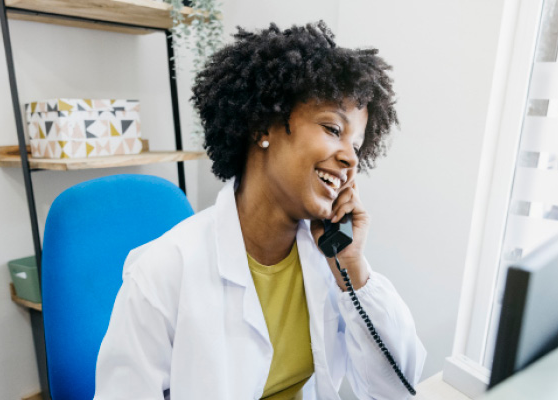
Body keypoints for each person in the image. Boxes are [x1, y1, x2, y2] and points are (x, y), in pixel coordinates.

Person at [94, 20, 426, 400]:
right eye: (334, 129)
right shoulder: (162, 272)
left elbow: (399, 387)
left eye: (358, 143)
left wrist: (353, 269)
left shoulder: (329, 260)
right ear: (262, 127)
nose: (350, 157)